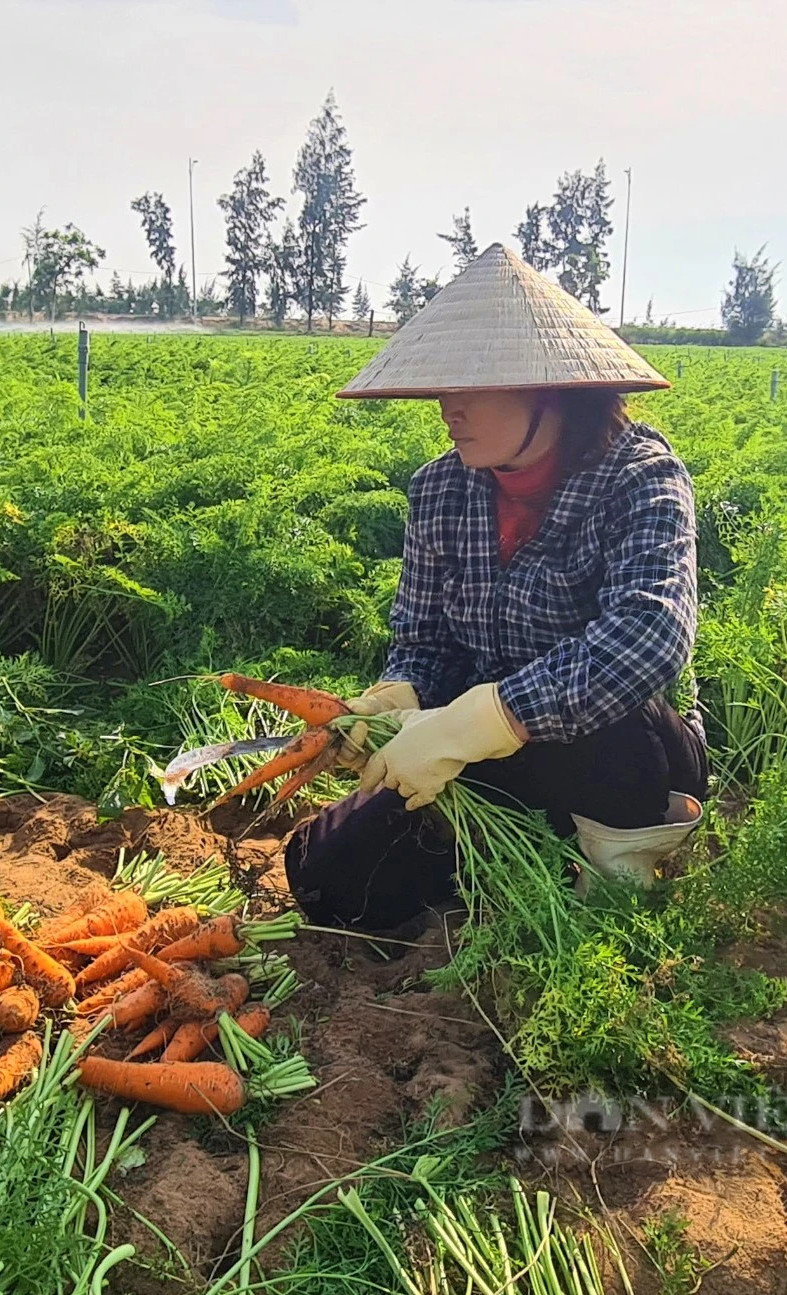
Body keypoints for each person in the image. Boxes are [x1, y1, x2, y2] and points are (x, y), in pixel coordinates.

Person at [284, 244, 708, 930]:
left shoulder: (638, 475)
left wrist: (485, 716)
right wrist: (401, 699)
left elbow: (648, 634)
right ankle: (506, 851)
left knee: (604, 722)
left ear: (551, 388)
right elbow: (424, 639)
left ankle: (627, 861)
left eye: (473, 385)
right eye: (443, 387)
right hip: (488, 747)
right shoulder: (439, 489)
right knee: (327, 880)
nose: (450, 407)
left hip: (625, 751)